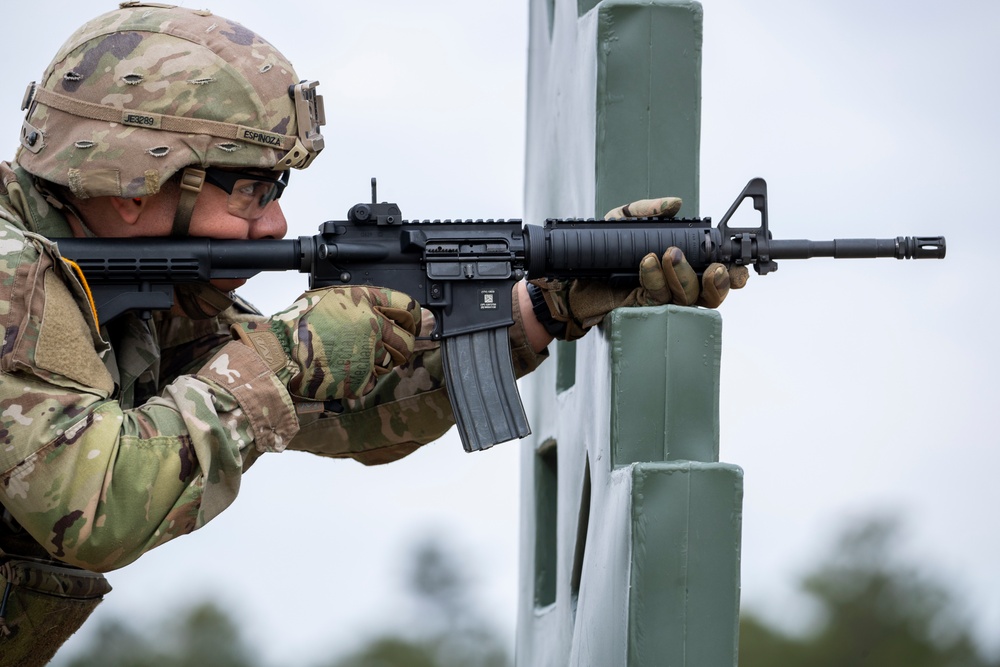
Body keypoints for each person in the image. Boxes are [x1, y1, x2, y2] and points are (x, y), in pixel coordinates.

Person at [0, 3, 744, 665]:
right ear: (137, 182)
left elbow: (348, 421)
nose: (275, 224)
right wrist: (284, 353)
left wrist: (542, 309)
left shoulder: (128, 296)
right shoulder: (13, 276)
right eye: (254, 189)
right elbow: (95, 503)